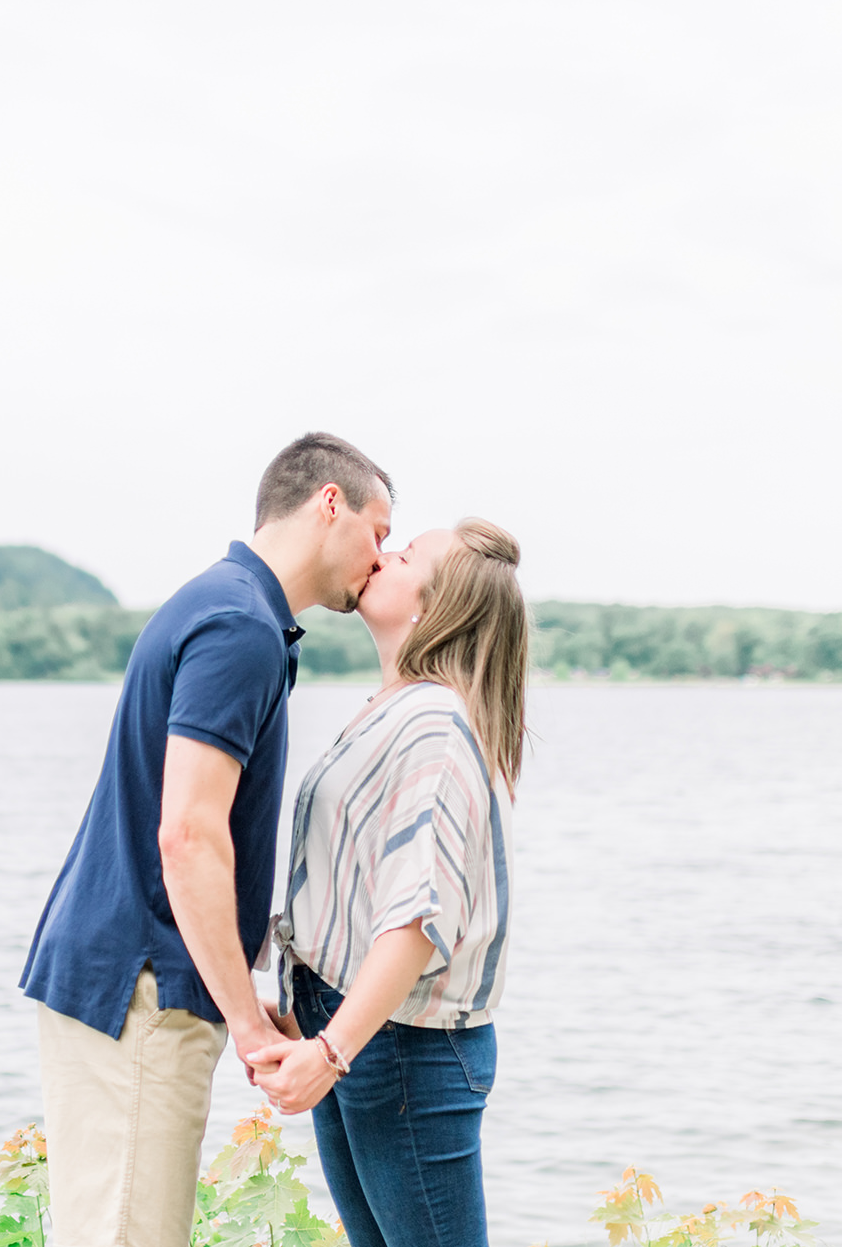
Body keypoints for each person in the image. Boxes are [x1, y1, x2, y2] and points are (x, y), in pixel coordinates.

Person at [18, 432, 393, 1247]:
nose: (380, 557)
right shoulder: (239, 627)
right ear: (330, 502)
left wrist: (233, 989)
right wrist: (250, 1029)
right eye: (380, 530)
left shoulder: (225, 604)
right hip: (139, 987)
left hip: (132, 974)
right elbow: (187, 835)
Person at [247, 518, 528, 1247]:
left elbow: (416, 920)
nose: (384, 554)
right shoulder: (396, 710)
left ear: (433, 609)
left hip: (402, 1048)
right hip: (363, 1033)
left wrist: (331, 1050)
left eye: (406, 556)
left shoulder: (433, 724)